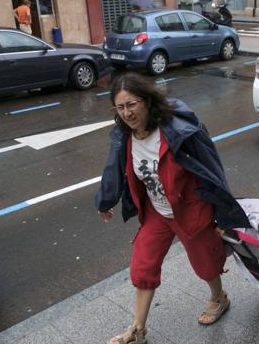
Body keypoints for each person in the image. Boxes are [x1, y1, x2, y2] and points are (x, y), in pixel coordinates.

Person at [95, 73, 249, 344]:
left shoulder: (178, 131)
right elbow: (114, 168)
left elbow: (211, 170)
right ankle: (138, 330)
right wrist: (106, 200)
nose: (126, 113)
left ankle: (218, 297)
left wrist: (223, 211)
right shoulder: (124, 136)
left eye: (131, 105)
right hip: (157, 211)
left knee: (205, 264)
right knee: (142, 266)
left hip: (189, 208)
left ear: (147, 101)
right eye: (120, 108)